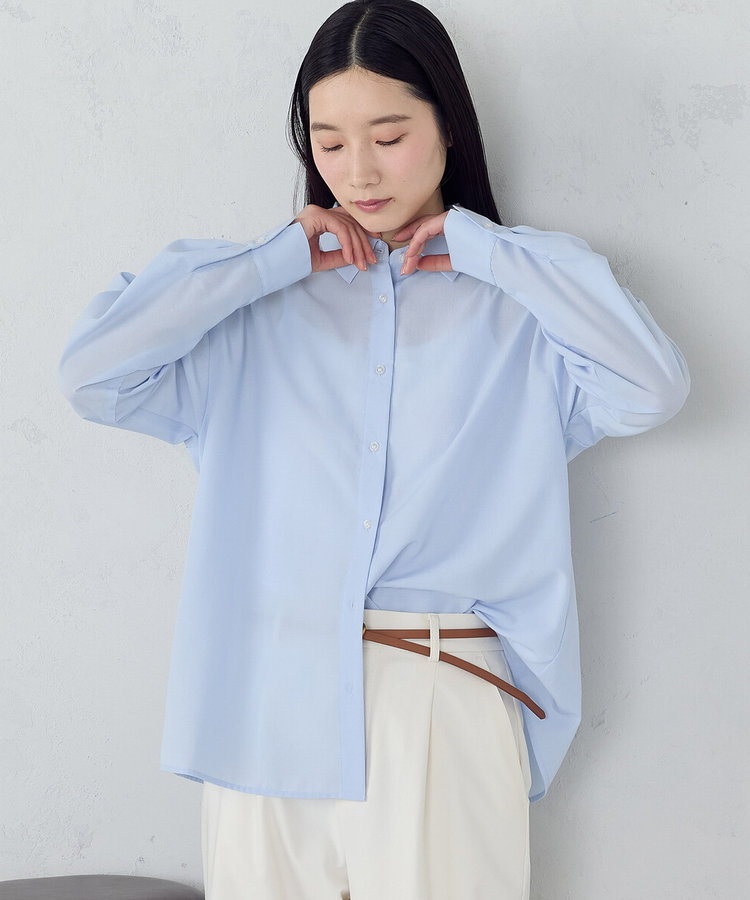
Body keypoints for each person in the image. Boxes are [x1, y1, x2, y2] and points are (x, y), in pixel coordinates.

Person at [57, 0, 690, 897]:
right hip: (263, 701)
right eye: (329, 142)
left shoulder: (523, 313)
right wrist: (268, 261)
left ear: (448, 127)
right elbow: (93, 376)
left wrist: (489, 253)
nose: (358, 171)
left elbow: (651, 387)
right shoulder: (253, 314)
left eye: (389, 137)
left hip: (439, 691)